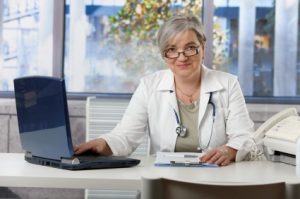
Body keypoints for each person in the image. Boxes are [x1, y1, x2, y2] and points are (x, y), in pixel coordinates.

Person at [75, 14, 256, 166]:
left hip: (214, 180)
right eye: (172, 49)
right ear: (164, 54)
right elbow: (126, 136)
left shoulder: (228, 84)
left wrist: (229, 150)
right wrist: (102, 144)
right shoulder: (149, 86)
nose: (182, 57)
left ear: (203, 47)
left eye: (190, 48)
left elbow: (244, 137)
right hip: (164, 181)